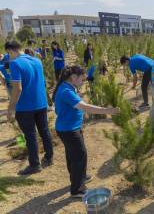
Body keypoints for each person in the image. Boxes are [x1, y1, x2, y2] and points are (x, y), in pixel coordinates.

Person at [53, 65, 118, 198]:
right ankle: (77, 189)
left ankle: (79, 177)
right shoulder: (66, 91)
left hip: (71, 127)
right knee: (79, 157)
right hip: (68, 130)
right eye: (82, 79)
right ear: (73, 77)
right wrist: (107, 110)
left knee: (74, 155)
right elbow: (84, 107)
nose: (83, 82)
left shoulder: (69, 87)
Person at [6, 40, 53, 175]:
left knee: (30, 136)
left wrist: (11, 108)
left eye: (8, 53)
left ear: (11, 50)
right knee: (44, 131)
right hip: (41, 103)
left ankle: (34, 165)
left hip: (25, 107)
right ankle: (49, 157)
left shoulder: (15, 63)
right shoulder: (36, 61)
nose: (9, 57)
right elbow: (42, 82)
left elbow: (18, 88)